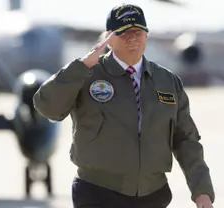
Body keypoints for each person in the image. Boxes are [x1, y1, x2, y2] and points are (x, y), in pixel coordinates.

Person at [32, 3, 215, 208]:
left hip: (153, 195)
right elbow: (47, 107)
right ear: (109, 39)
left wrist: (202, 192)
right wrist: (81, 66)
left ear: (147, 35)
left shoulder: (168, 82)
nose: (132, 38)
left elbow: (186, 141)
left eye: (138, 31)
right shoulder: (86, 74)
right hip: (98, 194)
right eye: (124, 32)